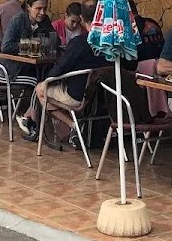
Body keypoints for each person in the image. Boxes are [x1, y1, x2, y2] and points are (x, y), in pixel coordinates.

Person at [16, 10, 109, 149]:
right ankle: (72, 126)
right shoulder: (111, 43)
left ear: (83, 20)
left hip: (77, 96)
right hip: (103, 96)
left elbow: (61, 67)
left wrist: (47, 80)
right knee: (45, 86)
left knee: (40, 89)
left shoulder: (79, 43)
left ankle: (71, 125)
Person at [0, 0, 56, 90]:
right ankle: (36, 101)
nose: (42, 12)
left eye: (45, 8)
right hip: (11, 70)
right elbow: (5, 47)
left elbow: (55, 40)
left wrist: (46, 42)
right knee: (39, 82)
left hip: (33, 67)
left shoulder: (45, 20)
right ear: (28, 7)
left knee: (53, 78)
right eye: (38, 8)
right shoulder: (17, 21)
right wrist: (30, 44)